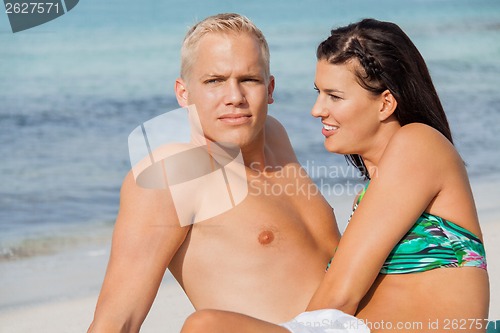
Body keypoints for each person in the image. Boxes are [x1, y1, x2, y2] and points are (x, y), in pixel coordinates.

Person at [180, 18, 490, 333]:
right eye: (319, 92)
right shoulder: (380, 187)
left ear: (385, 103)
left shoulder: (420, 143)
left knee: (205, 326)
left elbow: (340, 295)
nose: (317, 109)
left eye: (334, 96)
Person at [87, 13, 341, 333]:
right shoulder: (172, 177)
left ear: (270, 87)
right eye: (214, 81)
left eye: (249, 79)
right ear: (183, 93)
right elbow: (116, 321)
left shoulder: (274, 136)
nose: (235, 97)